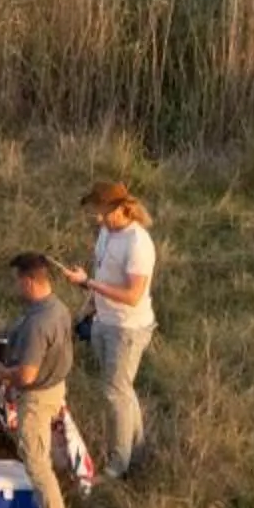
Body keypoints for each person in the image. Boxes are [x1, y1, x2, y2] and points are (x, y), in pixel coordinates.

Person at [63, 180, 157, 477]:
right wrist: (86, 309)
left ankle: (117, 466)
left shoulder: (138, 243)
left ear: (120, 208)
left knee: (114, 393)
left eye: (103, 212)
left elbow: (132, 295)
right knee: (122, 390)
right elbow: (104, 274)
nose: (99, 218)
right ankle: (139, 453)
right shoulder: (105, 234)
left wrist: (87, 283)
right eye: (96, 213)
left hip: (127, 329)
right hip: (104, 321)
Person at [0, 252, 74, 508]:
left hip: (37, 396)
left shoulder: (38, 323)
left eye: (17, 281)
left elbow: (26, 375)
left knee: (35, 459)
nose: (15, 287)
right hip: (55, 387)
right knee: (41, 452)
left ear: (28, 282)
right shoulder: (58, 308)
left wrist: (2, 373)